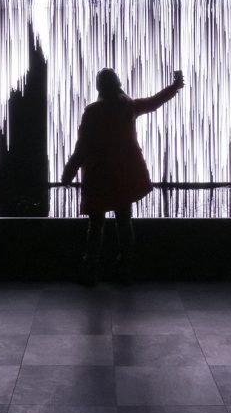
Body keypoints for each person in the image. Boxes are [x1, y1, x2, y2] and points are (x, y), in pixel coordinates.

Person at [61, 68, 185, 285]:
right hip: (124, 174)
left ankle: (91, 271)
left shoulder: (92, 112)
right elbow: (154, 101)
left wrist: (68, 174)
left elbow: (82, 148)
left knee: (96, 224)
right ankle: (125, 269)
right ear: (117, 84)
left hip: (99, 175)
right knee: (124, 222)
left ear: (99, 87)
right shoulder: (127, 107)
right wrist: (174, 87)